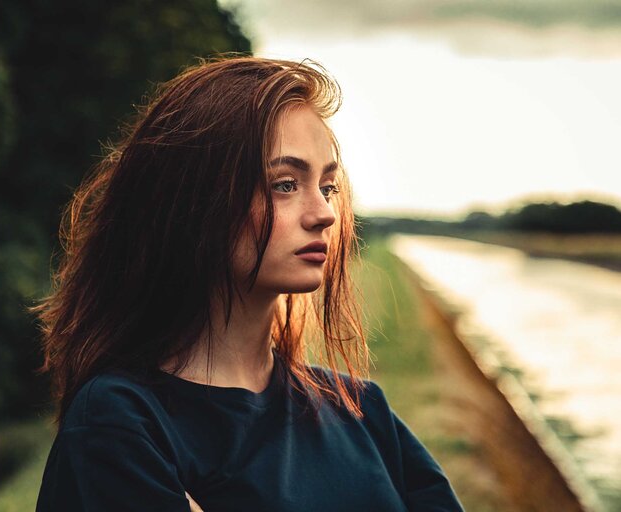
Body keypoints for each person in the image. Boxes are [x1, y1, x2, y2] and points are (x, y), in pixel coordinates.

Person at [33, 55, 464, 511]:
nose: (324, 213)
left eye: (328, 186)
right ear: (193, 202)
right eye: (284, 184)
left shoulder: (361, 409)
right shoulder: (120, 423)